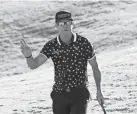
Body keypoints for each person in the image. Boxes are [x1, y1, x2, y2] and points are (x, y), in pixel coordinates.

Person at [20, 10, 104, 114]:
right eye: (61, 23)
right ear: (56, 25)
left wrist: (99, 91)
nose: (65, 26)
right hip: (59, 95)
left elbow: (95, 67)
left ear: (72, 24)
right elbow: (34, 65)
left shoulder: (84, 43)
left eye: (68, 22)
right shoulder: (51, 45)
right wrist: (28, 56)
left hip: (79, 93)